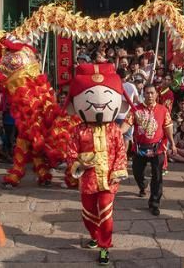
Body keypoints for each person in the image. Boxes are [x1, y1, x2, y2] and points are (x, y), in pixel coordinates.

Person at [65, 63, 130, 266]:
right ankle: (94, 236)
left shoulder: (114, 130)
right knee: (88, 213)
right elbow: (70, 153)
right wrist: (80, 165)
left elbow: (121, 151)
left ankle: (104, 247)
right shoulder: (78, 130)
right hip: (88, 180)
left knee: (105, 210)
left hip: (109, 180)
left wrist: (118, 170)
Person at [123, 84, 176, 216]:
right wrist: (115, 133)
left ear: (157, 95)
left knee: (157, 177)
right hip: (140, 148)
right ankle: (142, 185)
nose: (150, 95)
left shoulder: (163, 110)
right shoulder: (136, 110)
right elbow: (125, 125)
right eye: (147, 93)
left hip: (157, 148)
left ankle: (154, 203)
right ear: (143, 94)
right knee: (136, 172)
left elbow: (168, 128)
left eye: (152, 93)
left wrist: (173, 143)